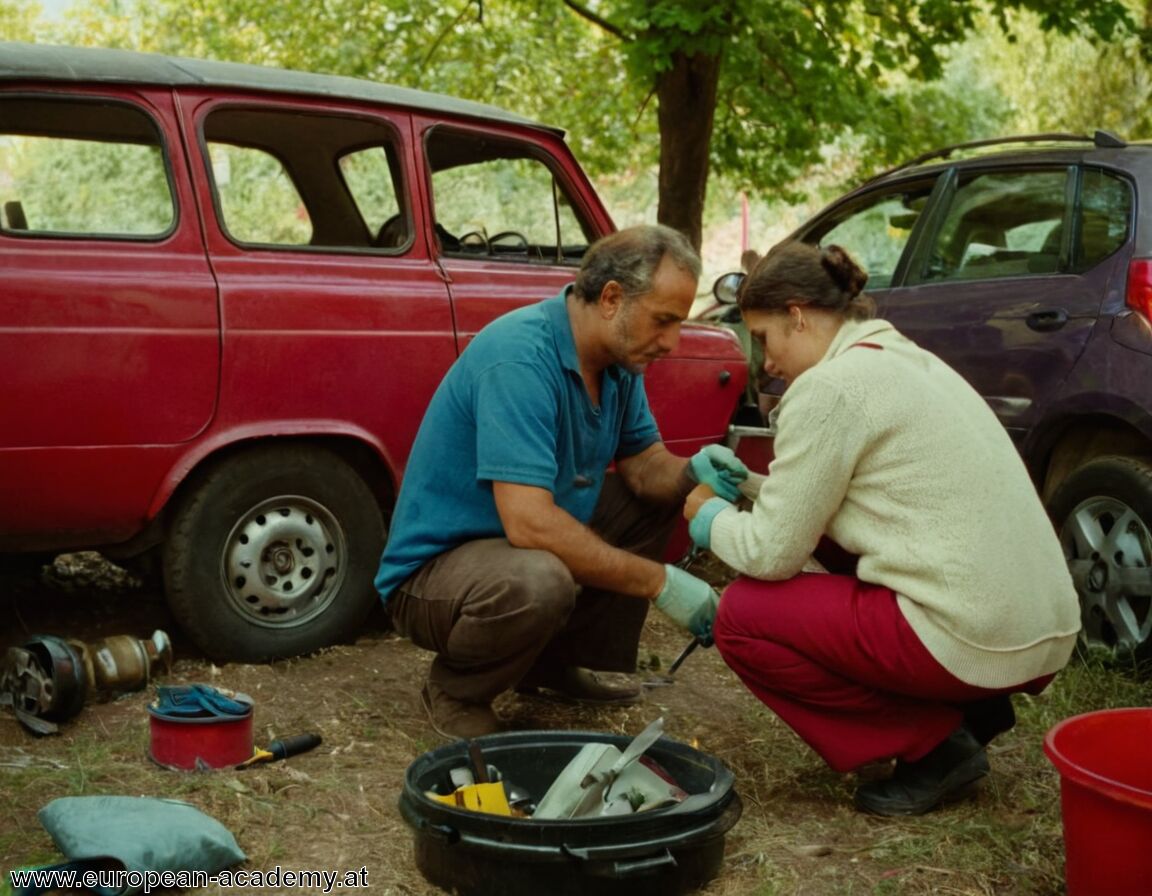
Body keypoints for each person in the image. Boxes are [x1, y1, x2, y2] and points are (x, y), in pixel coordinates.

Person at [683, 240, 1080, 816]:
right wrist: (748, 484)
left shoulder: (828, 389)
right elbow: (849, 502)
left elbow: (771, 553)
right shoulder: (899, 357)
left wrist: (708, 518)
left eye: (765, 337)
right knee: (818, 541)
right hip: (1037, 627)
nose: (764, 362)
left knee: (743, 617)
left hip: (975, 638)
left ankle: (934, 746)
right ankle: (970, 708)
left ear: (797, 314)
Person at [374, 224, 747, 739]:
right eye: (663, 321)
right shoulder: (521, 357)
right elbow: (529, 524)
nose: (671, 342)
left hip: (514, 547)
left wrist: (693, 472)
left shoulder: (618, 362)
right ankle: (455, 691)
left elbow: (643, 467)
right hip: (434, 575)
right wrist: (660, 582)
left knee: (656, 501)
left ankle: (549, 667)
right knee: (539, 578)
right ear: (612, 298)